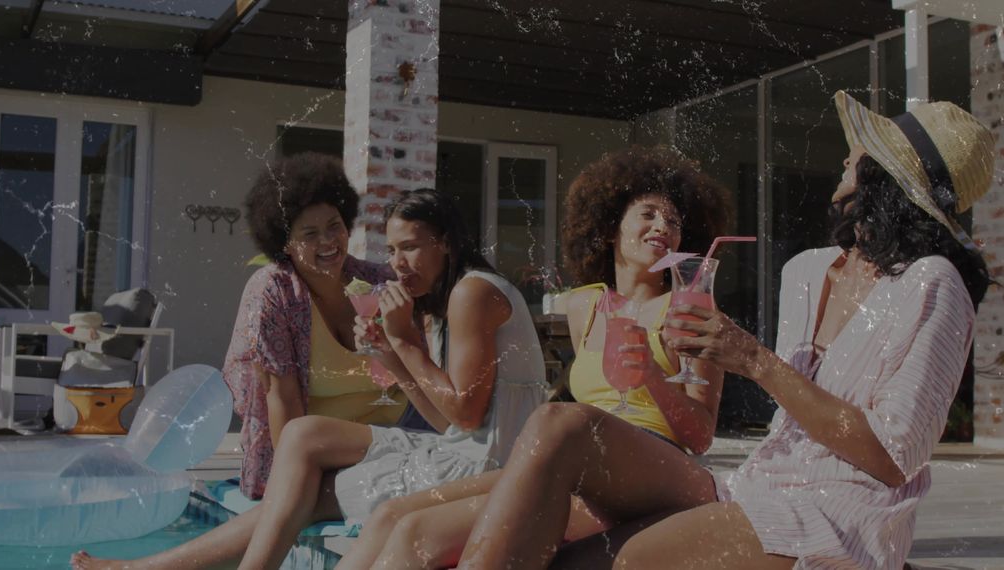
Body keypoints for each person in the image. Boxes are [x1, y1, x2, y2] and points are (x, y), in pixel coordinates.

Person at [453, 91, 995, 570]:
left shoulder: (932, 285)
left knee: (618, 561)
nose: (848, 155)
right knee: (559, 428)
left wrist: (753, 360)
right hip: (752, 484)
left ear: (888, 179)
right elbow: (789, 422)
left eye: (865, 152)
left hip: (837, 512)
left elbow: (894, 459)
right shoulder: (806, 270)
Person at [71, 188, 548, 570]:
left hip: (488, 463)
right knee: (302, 440)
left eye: (410, 247)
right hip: (459, 449)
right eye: (392, 249)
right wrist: (390, 352)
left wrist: (400, 343)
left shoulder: (471, 295)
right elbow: (447, 422)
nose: (397, 263)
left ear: (445, 242)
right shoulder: (446, 297)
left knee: (302, 502)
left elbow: (461, 415)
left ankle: (153, 569)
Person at [335, 146, 732, 569]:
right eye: (649, 214)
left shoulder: (690, 311)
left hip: (650, 462)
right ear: (609, 226)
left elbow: (700, 436)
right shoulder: (584, 306)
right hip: (575, 459)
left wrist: (651, 374)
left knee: (433, 531)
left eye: (673, 221)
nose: (663, 227)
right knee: (398, 519)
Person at [214, 152, 429, 501]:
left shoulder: (379, 281)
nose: (328, 241)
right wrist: (294, 486)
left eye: (334, 226)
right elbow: (284, 414)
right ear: (285, 243)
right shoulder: (275, 293)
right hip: (329, 452)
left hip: (404, 430)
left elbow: (420, 371)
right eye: (310, 234)